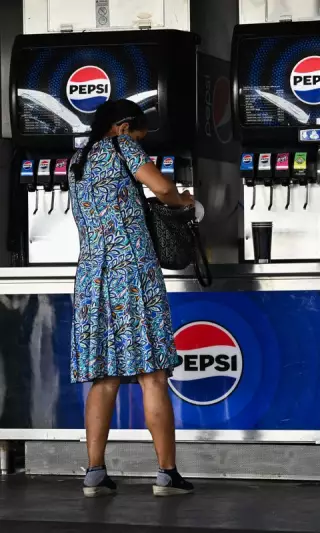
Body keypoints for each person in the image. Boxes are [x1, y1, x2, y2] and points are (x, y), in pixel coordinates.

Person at [68, 99, 195, 498]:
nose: (144, 141)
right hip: (132, 272)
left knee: (103, 379)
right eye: (141, 133)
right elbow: (161, 186)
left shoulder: (77, 160)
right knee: (152, 375)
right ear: (124, 127)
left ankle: (94, 473)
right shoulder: (123, 148)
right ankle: (166, 474)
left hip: (91, 275)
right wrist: (182, 202)